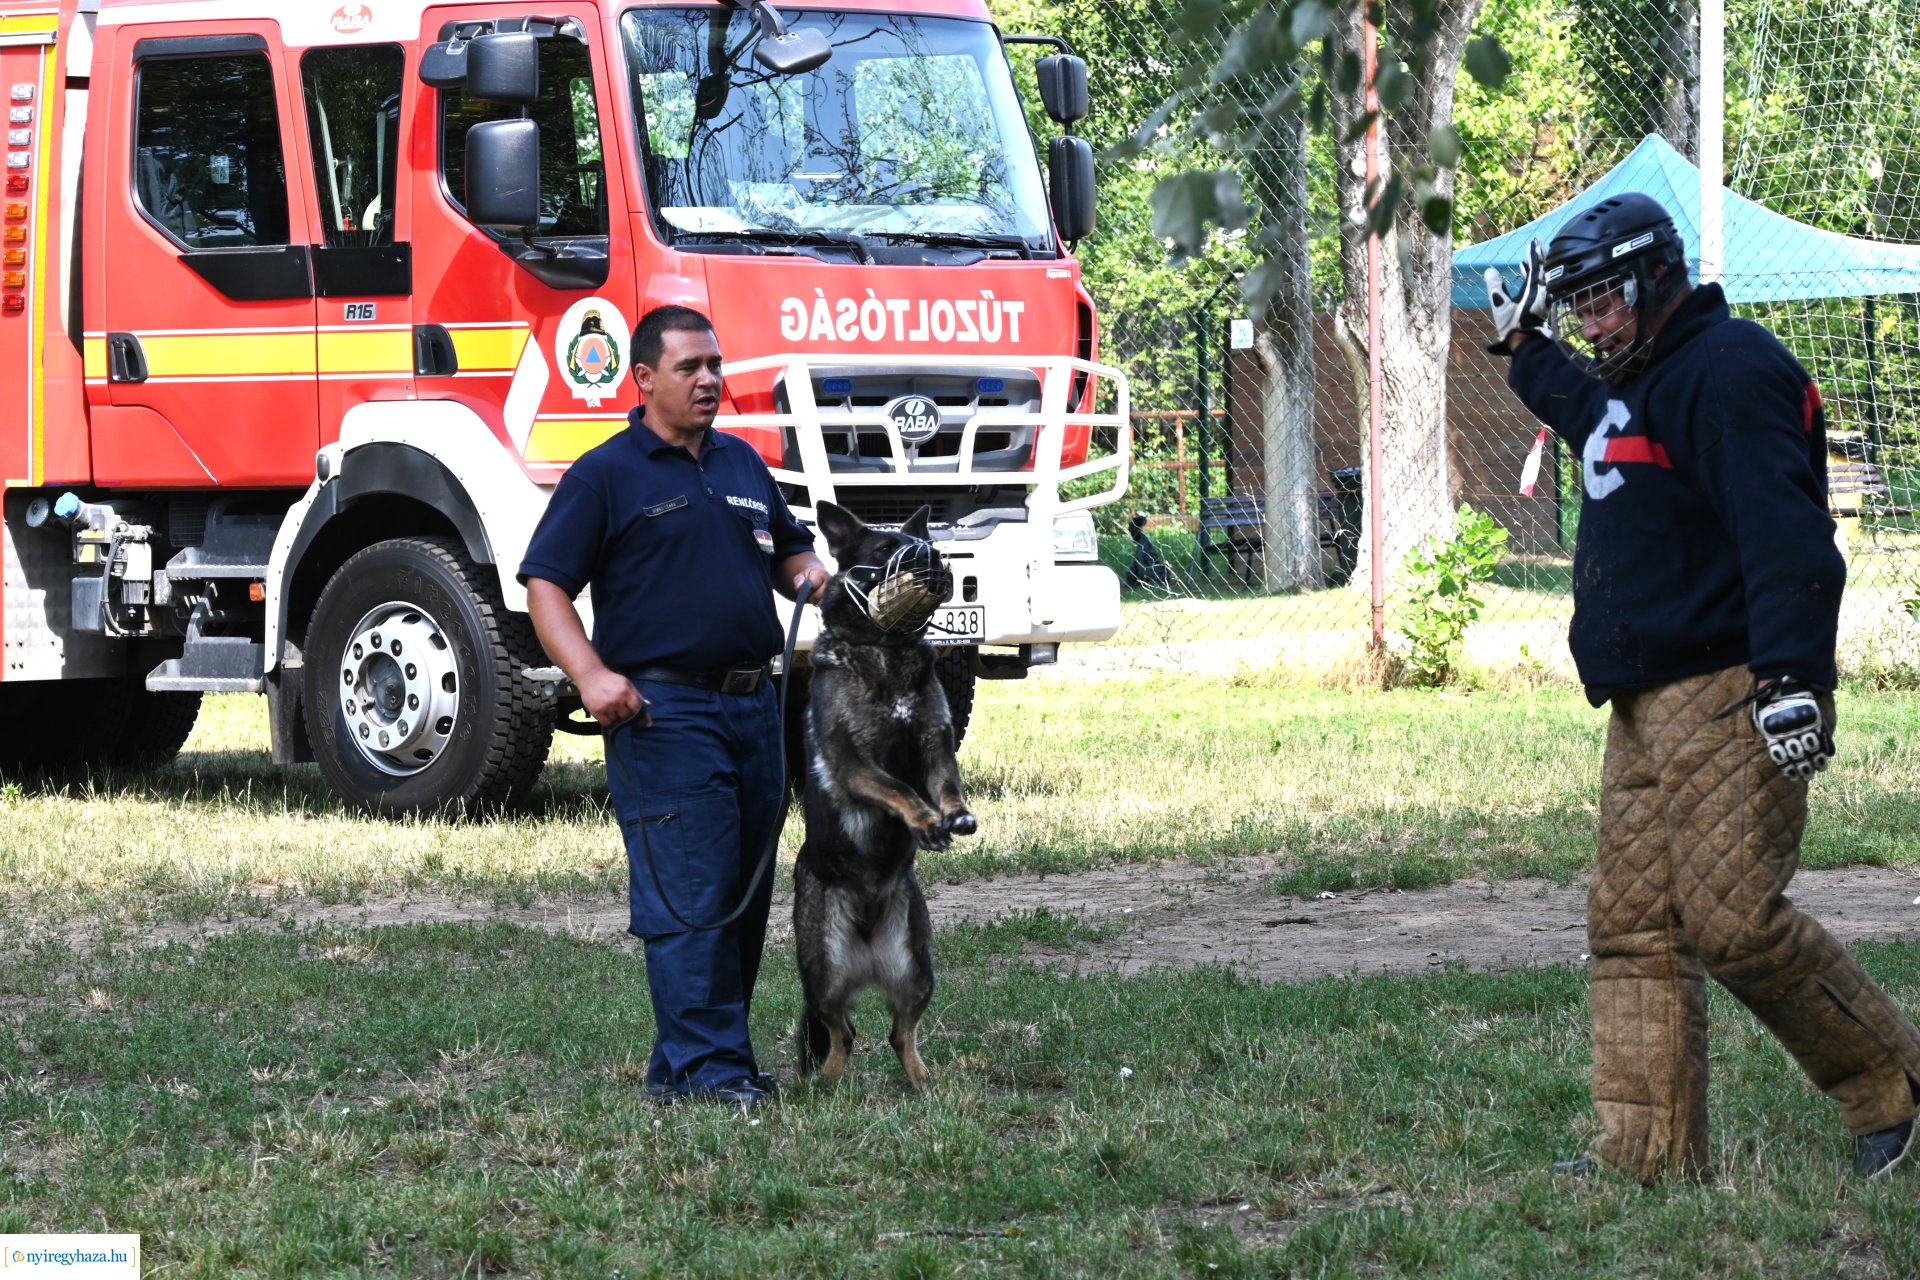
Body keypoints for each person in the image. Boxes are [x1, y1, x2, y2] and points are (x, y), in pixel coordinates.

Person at [1484, 192, 1920, 1182]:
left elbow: (1789, 534)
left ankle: (1898, 1086)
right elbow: (1595, 419)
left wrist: (1793, 676)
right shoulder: (1646, 375)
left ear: (1655, 278)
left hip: (1730, 686)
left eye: (1602, 301)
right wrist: (1526, 352)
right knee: (1632, 927)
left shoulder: (1730, 369)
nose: (1589, 323)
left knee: (1734, 923)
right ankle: (1646, 1151)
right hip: (1642, 702)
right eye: (1577, 305)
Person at [520, 304, 830, 1109]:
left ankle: (687, 1062)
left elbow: (789, 552)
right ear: (645, 377)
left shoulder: (741, 466)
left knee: (739, 895)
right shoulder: (607, 473)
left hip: (755, 707)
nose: (709, 381)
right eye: (690, 367)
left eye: (716, 366)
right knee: (691, 896)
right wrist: (590, 675)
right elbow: (546, 584)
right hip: (665, 714)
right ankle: (711, 1073)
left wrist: (814, 577)